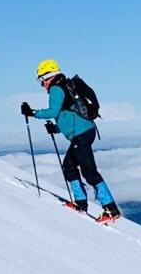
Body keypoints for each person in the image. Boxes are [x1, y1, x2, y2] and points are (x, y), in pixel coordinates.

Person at [21, 59, 121, 224]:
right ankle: (81, 204)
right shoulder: (64, 85)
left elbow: (53, 111)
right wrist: (57, 129)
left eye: (42, 80)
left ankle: (110, 210)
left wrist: (32, 112)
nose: (42, 85)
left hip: (81, 134)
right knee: (69, 165)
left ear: (49, 76)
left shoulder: (56, 88)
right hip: (84, 131)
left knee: (89, 171)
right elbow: (69, 114)